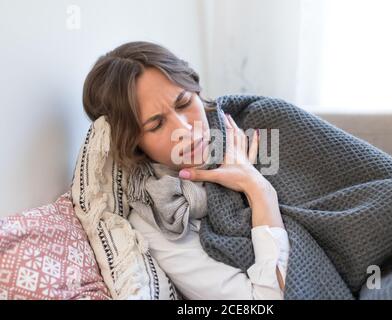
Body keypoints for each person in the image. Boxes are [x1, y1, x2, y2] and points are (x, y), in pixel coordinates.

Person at [82, 41, 290, 299]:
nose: (186, 130)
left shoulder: (245, 121)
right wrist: (258, 188)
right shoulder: (161, 218)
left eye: (183, 103)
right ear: (133, 142)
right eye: (156, 124)